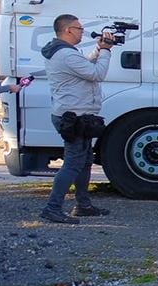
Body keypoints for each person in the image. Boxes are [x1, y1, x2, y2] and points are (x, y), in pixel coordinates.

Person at [39, 14, 115, 224]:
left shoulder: (64, 53)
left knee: (85, 161)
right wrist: (107, 51)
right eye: (79, 28)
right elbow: (96, 73)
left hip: (75, 114)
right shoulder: (66, 55)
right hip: (74, 116)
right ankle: (52, 207)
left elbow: (85, 64)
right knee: (73, 163)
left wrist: (99, 49)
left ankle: (83, 205)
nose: (83, 32)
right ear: (68, 30)